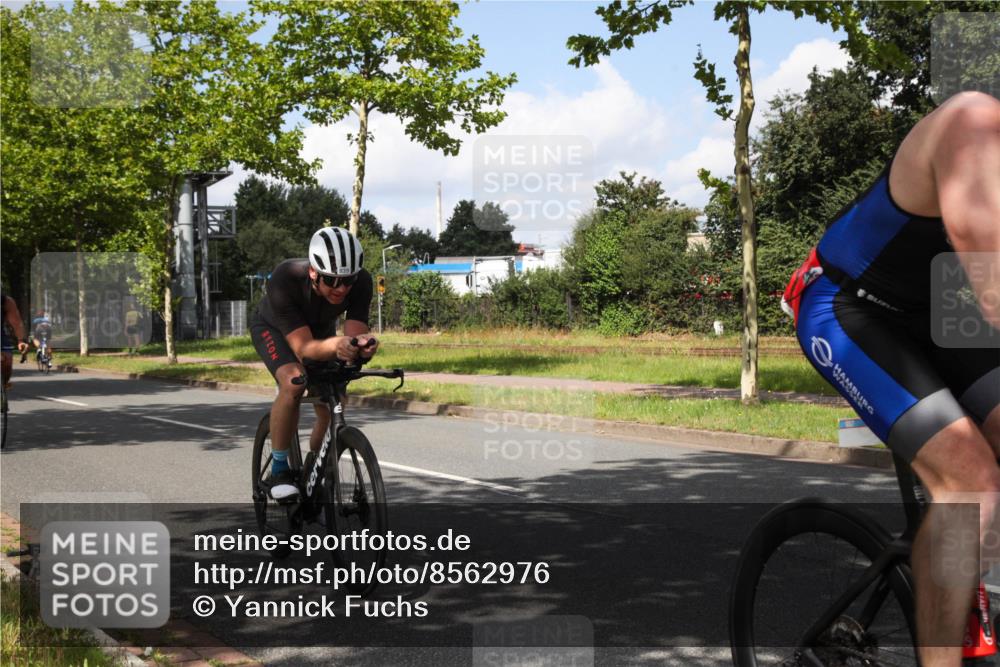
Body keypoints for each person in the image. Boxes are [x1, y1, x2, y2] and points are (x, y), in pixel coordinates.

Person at [783, 91, 999, 665]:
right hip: (844, 306)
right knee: (969, 477)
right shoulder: (972, 124)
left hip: (928, 313)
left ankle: (967, 565)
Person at [249, 226, 377, 500]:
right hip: (274, 329)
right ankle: (280, 470)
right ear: (313, 273)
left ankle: (313, 468)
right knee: (294, 381)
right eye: (331, 281)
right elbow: (305, 349)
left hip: (319, 329)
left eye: (348, 280)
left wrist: (362, 348)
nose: (341, 288)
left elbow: (353, 337)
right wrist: (337, 345)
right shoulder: (286, 278)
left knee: (334, 398)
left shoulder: (361, 282)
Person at [1, 293, 29, 388]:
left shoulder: (5, 301)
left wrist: (21, 340)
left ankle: (3, 386)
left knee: (7, 360)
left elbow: (16, 323)